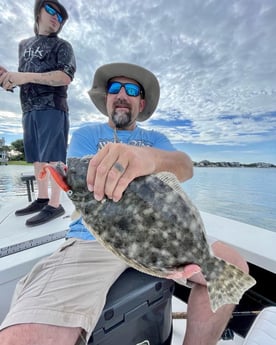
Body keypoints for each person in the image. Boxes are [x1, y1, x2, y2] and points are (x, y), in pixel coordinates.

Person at [0, 62, 249, 345]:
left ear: (141, 102)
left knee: (234, 268)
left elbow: (185, 166)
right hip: (92, 240)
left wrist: (150, 159)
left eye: (131, 89)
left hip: (158, 236)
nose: (121, 94)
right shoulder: (87, 136)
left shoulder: (155, 140)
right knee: (24, 337)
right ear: (106, 98)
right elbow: (82, 187)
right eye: (114, 88)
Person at [0, 0, 76, 227]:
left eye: (61, 16)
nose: (56, 17)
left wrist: (25, 77)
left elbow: (65, 77)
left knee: (53, 157)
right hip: (28, 108)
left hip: (53, 106)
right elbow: (22, 77)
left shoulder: (63, 46)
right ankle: (42, 199)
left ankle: (55, 204)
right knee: (36, 156)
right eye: (51, 10)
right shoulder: (23, 44)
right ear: (39, 11)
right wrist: (9, 79)